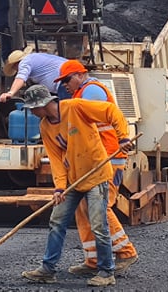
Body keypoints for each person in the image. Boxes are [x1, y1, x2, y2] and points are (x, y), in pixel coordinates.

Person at [20, 84, 133, 288]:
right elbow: (55, 159)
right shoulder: (45, 126)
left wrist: (122, 137)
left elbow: (111, 111)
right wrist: (59, 188)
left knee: (99, 224)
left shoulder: (75, 107)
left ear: (43, 104)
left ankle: (107, 272)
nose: (32, 112)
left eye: (33, 108)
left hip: (96, 175)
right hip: (73, 179)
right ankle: (48, 269)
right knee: (57, 222)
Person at [53, 60, 139, 276]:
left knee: (101, 207)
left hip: (107, 157)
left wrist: (122, 138)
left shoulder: (91, 91)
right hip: (97, 158)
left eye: (66, 80)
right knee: (84, 209)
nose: (64, 85)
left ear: (79, 75)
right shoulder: (80, 93)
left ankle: (125, 252)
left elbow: (88, 127)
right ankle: (93, 260)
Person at [0, 50, 68, 102]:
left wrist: (11, 92)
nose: (16, 71)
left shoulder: (24, 62)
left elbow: (21, 77)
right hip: (70, 77)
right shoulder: (35, 58)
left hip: (64, 81)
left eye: (14, 69)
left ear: (16, 64)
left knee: (66, 110)